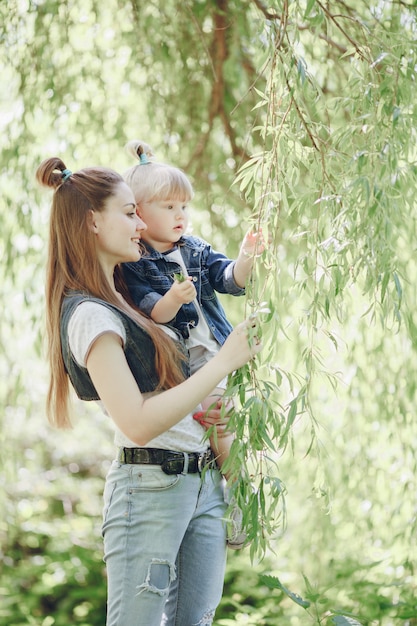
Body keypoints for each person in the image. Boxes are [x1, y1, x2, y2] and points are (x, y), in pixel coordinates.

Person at [36, 157, 262, 626]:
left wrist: (207, 408)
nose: (142, 223)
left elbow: (170, 386)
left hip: (201, 479)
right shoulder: (90, 314)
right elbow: (136, 421)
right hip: (151, 487)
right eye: (130, 212)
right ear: (92, 221)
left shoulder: (126, 297)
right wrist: (223, 361)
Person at [121, 140, 265, 547]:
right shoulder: (136, 263)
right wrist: (171, 299)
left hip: (219, 348)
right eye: (168, 207)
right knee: (221, 421)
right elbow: (153, 313)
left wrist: (246, 257)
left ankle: (237, 489)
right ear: (140, 214)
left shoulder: (195, 248)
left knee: (227, 420)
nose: (180, 215)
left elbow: (229, 280)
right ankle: (238, 492)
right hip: (189, 361)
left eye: (183, 206)